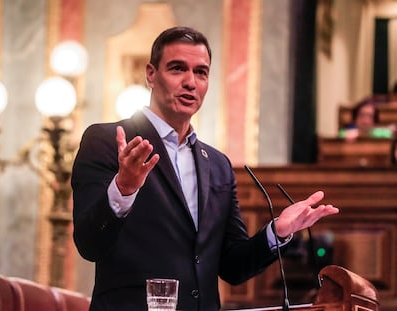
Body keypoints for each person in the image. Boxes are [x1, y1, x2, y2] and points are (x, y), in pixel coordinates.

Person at [71, 26, 339, 311]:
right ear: (151, 74)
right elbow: (90, 244)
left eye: (201, 72)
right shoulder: (108, 141)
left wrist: (278, 232)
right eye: (177, 69)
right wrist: (123, 190)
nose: (191, 82)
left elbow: (233, 267)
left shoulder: (218, 165)